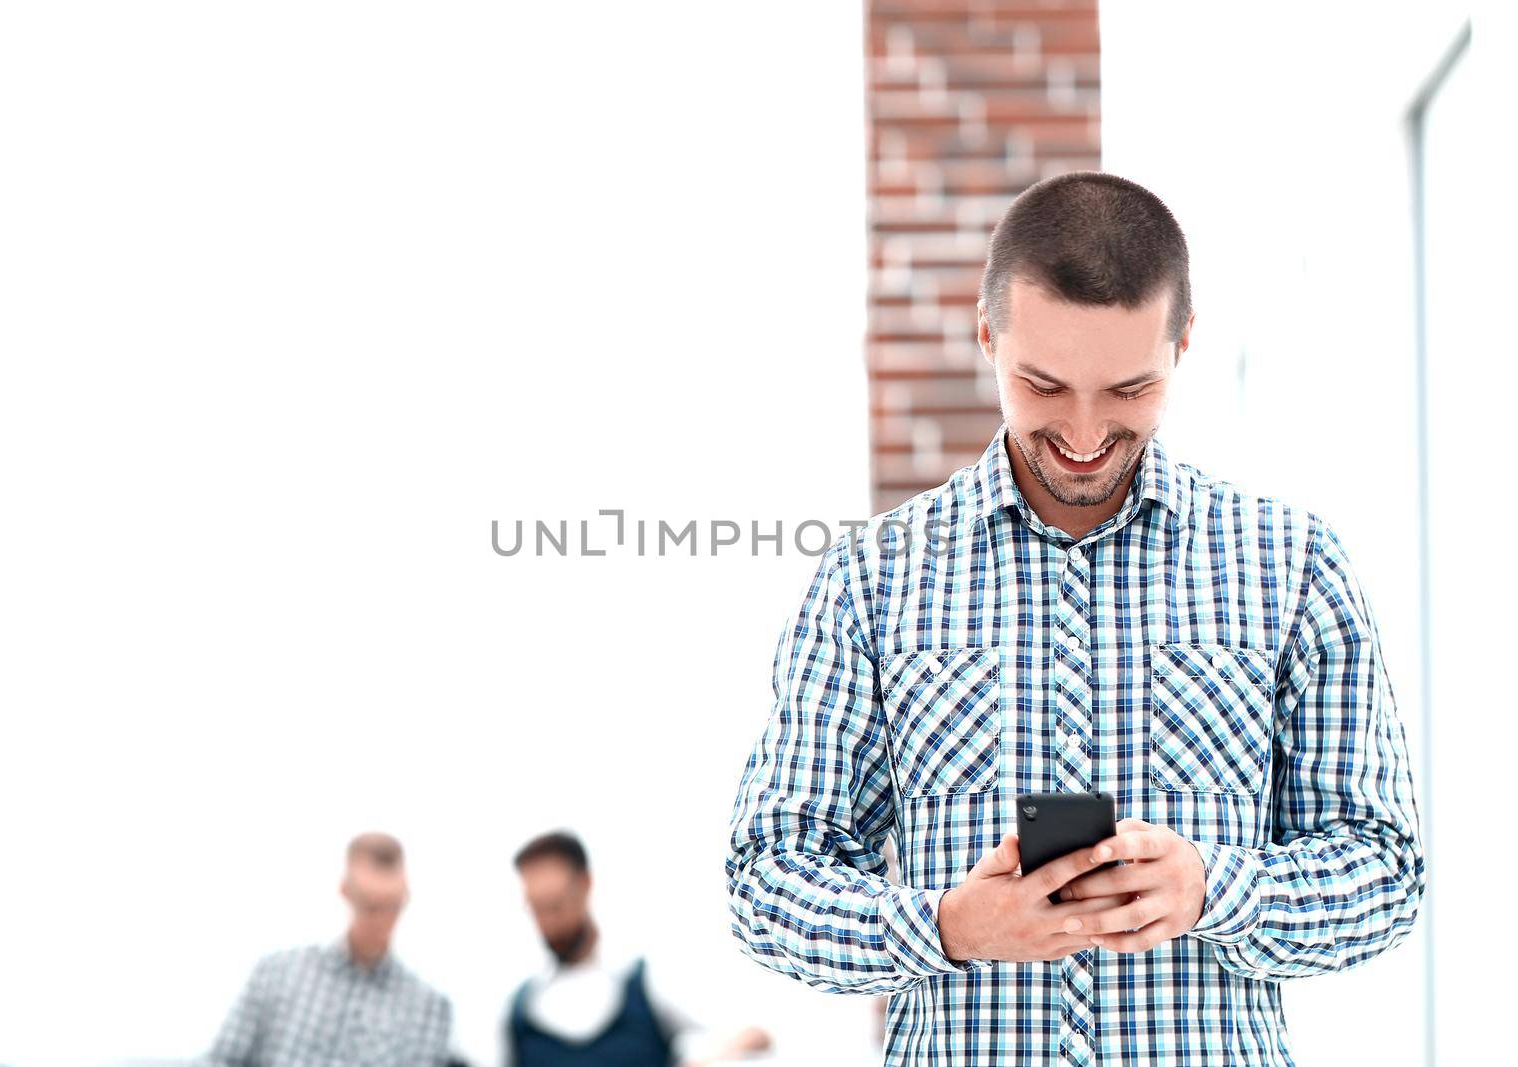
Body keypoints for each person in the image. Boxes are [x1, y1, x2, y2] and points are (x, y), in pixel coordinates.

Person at [726, 171, 1424, 1065]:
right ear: (988, 337)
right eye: (1044, 385)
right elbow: (767, 878)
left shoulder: (1291, 564)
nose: (1086, 433)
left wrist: (1218, 892)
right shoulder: (871, 580)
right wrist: (943, 926)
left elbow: (1384, 871)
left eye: (1129, 389)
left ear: (1183, 344)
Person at [505, 831, 771, 1067]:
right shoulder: (522, 1010)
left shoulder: (647, 981)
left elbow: (751, 1035)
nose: (549, 923)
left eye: (555, 905)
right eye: (537, 909)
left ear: (585, 884)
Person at [204, 831, 452, 1067]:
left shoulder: (429, 1009)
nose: (382, 920)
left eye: (392, 905)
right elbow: (221, 1060)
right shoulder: (276, 974)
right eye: (370, 905)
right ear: (346, 890)